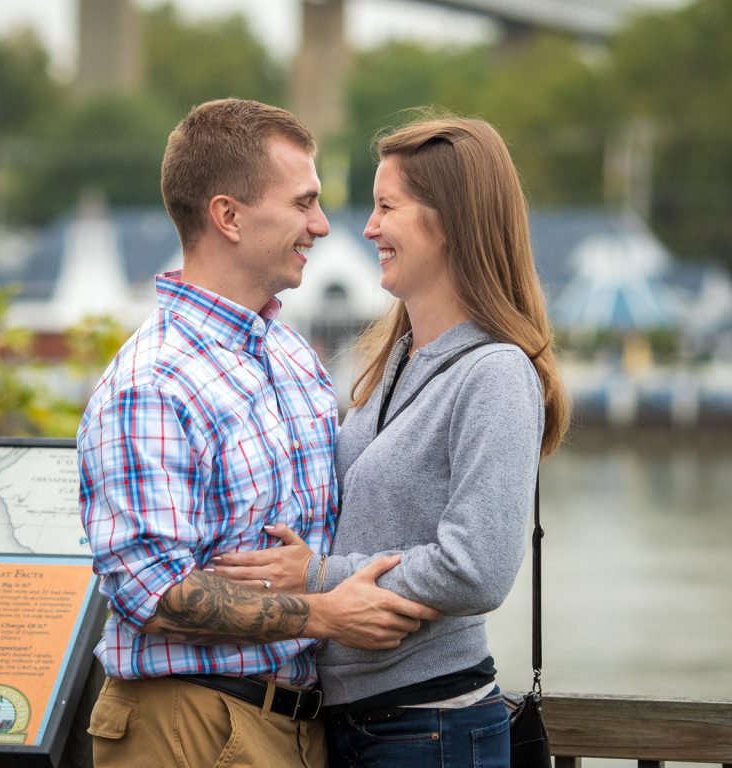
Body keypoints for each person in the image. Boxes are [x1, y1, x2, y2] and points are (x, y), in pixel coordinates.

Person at [77, 98, 440, 768]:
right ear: (229, 216)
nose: (323, 226)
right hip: (185, 727)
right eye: (303, 203)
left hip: (300, 726)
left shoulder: (290, 354)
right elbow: (149, 588)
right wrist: (325, 614)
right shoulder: (152, 381)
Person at [212, 112, 571, 767]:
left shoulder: (494, 371)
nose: (369, 227)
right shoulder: (396, 361)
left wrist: (318, 577)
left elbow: (478, 569)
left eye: (386, 206)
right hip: (357, 724)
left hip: (429, 727)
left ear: (450, 220)